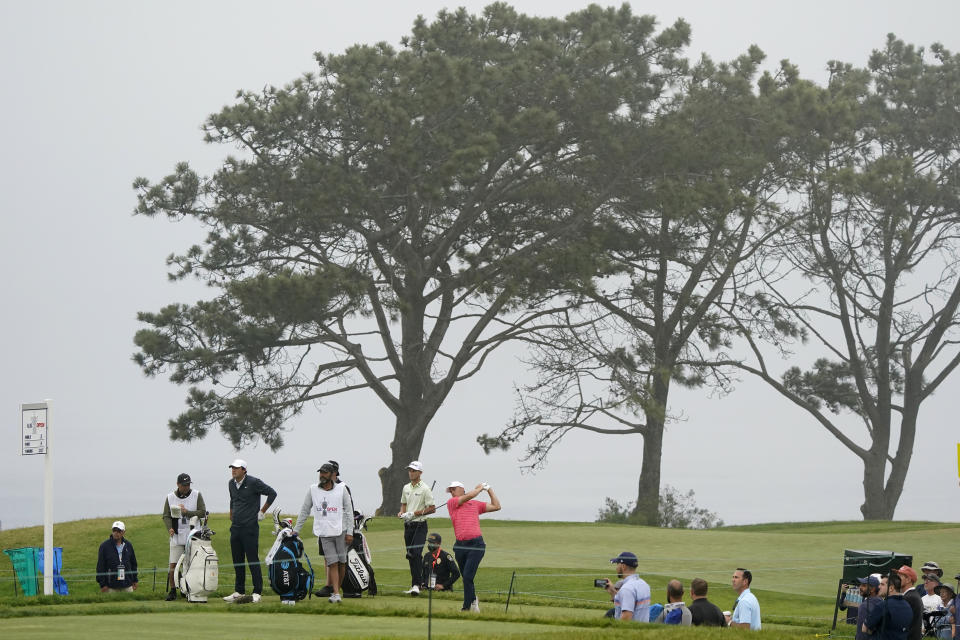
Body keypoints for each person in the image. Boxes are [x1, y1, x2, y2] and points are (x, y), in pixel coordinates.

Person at [293, 461, 354, 603]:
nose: (322, 475)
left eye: (325, 472)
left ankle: (336, 591)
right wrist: (296, 530)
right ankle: (337, 594)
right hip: (324, 533)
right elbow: (305, 510)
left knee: (342, 563)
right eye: (320, 472)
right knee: (332, 562)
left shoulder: (342, 489)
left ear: (332, 474)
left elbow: (349, 511)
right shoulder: (313, 489)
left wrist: (350, 531)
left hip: (341, 531)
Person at [222, 459, 277, 604]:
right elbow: (232, 499)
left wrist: (262, 511)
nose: (233, 470)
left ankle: (257, 591)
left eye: (236, 468)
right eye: (232, 468)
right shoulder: (231, 483)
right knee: (237, 560)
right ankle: (239, 591)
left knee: (252, 560)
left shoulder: (254, 482)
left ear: (244, 470)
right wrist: (231, 512)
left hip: (250, 528)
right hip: (236, 528)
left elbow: (272, 493)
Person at [446, 480, 501, 612]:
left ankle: (466, 607)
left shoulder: (474, 504)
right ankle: (473, 600)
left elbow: (497, 506)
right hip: (460, 546)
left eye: (454, 489)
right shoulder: (452, 502)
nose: (452, 492)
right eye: (451, 490)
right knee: (466, 577)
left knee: (468, 576)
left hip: (476, 544)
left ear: (462, 489)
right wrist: (480, 488)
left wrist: (489, 489)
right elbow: (470, 495)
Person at [161, 472, 206, 601]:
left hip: (193, 535)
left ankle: (189, 589)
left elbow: (202, 512)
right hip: (176, 535)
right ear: (178, 485)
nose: (186, 487)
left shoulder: (196, 495)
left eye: (188, 485)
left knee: (192, 564)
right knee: (173, 565)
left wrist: (187, 512)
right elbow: (166, 515)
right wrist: (169, 527)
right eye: (184, 485)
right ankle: (173, 590)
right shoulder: (170, 497)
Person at [398, 460, 436, 596]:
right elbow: (403, 503)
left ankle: (417, 585)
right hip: (408, 526)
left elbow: (432, 509)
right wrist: (402, 513)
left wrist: (413, 513)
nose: (411, 473)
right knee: (411, 556)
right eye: (410, 470)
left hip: (420, 526)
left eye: (414, 471)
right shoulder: (406, 488)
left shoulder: (425, 488)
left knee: (416, 554)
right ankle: (415, 585)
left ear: (420, 473)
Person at [602, 551, 650, 622]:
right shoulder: (644, 584)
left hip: (630, 631)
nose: (616, 568)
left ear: (623, 566)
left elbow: (626, 618)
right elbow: (633, 604)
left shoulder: (627, 589)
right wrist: (613, 593)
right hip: (642, 630)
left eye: (617, 564)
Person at [864, 570, 913, 640]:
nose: (879, 587)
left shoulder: (882, 605)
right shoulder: (908, 606)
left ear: (891, 588)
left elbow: (865, 628)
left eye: (882, 584)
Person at [96, 521, 138, 593]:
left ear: (123, 532)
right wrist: (102, 584)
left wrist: (135, 580)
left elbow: (133, 564)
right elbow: (100, 566)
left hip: (127, 585)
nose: (116, 533)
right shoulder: (104, 546)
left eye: (119, 531)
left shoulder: (128, 545)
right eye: (114, 530)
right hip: (110, 586)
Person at [897, 566, 923, 640]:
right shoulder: (912, 595)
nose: (896, 579)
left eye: (899, 577)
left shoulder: (910, 597)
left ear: (908, 579)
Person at [855, 575, 883, 640]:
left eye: (864, 586)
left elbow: (861, 634)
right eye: (860, 585)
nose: (860, 587)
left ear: (873, 589)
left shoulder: (865, 606)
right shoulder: (882, 602)